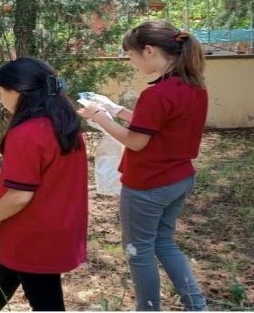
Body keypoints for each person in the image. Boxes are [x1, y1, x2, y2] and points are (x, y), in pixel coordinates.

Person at [77, 20, 208, 311]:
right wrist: (115, 109)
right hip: (179, 178)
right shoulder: (192, 87)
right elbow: (157, 124)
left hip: (149, 184)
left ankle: (148, 309)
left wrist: (99, 117)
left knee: (139, 251)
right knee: (164, 242)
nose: (131, 61)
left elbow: (136, 141)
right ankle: (196, 305)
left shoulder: (157, 93)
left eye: (131, 54)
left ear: (148, 51)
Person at [0, 57, 88, 311]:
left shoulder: (28, 133)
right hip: (59, 226)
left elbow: (19, 196)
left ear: (17, 91)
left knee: (46, 301)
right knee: (6, 271)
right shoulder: (65, 124)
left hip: (33, 234)